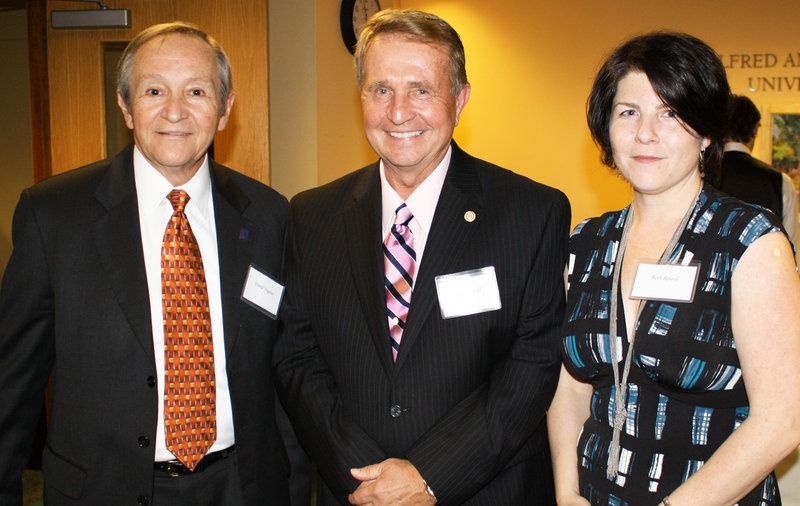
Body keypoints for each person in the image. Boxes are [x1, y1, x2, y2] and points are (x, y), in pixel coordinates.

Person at [274, 8, 570, 506]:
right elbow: (298, 358)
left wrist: (430, 475)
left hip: (486, 489)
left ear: (460, 98)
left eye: (421, 90)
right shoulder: (311, 215)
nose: (398, 112)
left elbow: (532, 363)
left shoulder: (531, 212)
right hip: (356, 492)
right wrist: (363, 477)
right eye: (381, 89)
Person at [0, 22, 291, 506]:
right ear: (125, 105)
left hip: (243, 486)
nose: (174, 111)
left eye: (196, 91)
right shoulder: (53, 215)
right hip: (102, 490)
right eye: (154, 90)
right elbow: (11, 386)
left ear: (225, 109)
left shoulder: (270, 216)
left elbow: (285, 372)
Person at [548, 32, 800, 505]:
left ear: (706, 132)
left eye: (670, 113)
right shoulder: (586, 242)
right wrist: (567, 490)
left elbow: (783, 420)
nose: (646, 133)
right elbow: (569, 388)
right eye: (629, 112)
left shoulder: (748, 242)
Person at [718, 94, 800, 263]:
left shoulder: (700, 174)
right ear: (755, 129)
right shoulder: (780, 182)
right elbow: (792, 249)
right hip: (764, 278)